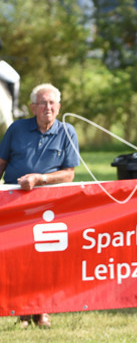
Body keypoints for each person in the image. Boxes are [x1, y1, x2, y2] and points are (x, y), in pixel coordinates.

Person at [0, 82, 79, 328]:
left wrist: (39, 179)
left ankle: (43, 310)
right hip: (15, 203)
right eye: (43, 102)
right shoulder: (16, 129)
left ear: (59, 106)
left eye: (52, 102)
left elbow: (69, 174)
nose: (48, 107)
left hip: (49, 207)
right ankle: (22, 310)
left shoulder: (68, 131)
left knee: (45, 259)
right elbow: (1, 163)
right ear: (33, 107)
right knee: (18, 257)